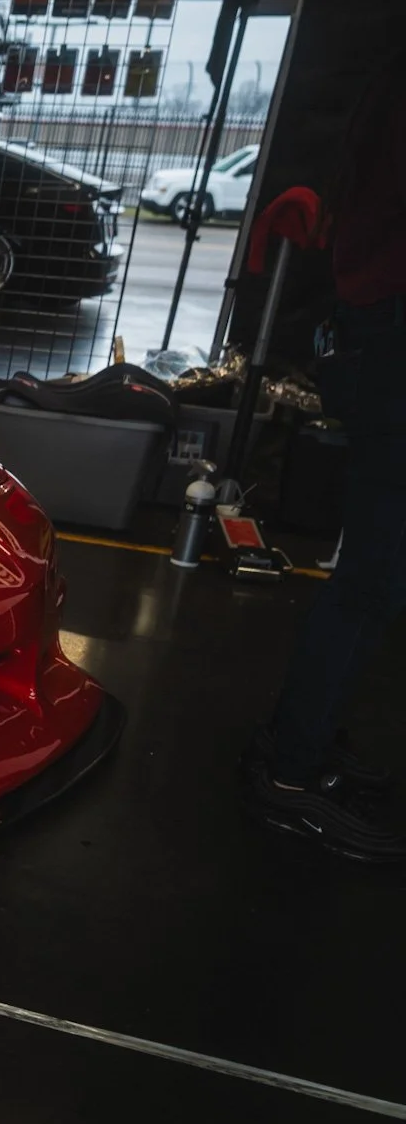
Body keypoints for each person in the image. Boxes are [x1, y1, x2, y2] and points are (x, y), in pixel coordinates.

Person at [245, 53, 406, 860]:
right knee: (376, 574)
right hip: (390, 332)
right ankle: (293, 773)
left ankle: (299, 746)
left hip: (377, 328)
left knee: (375, 572)